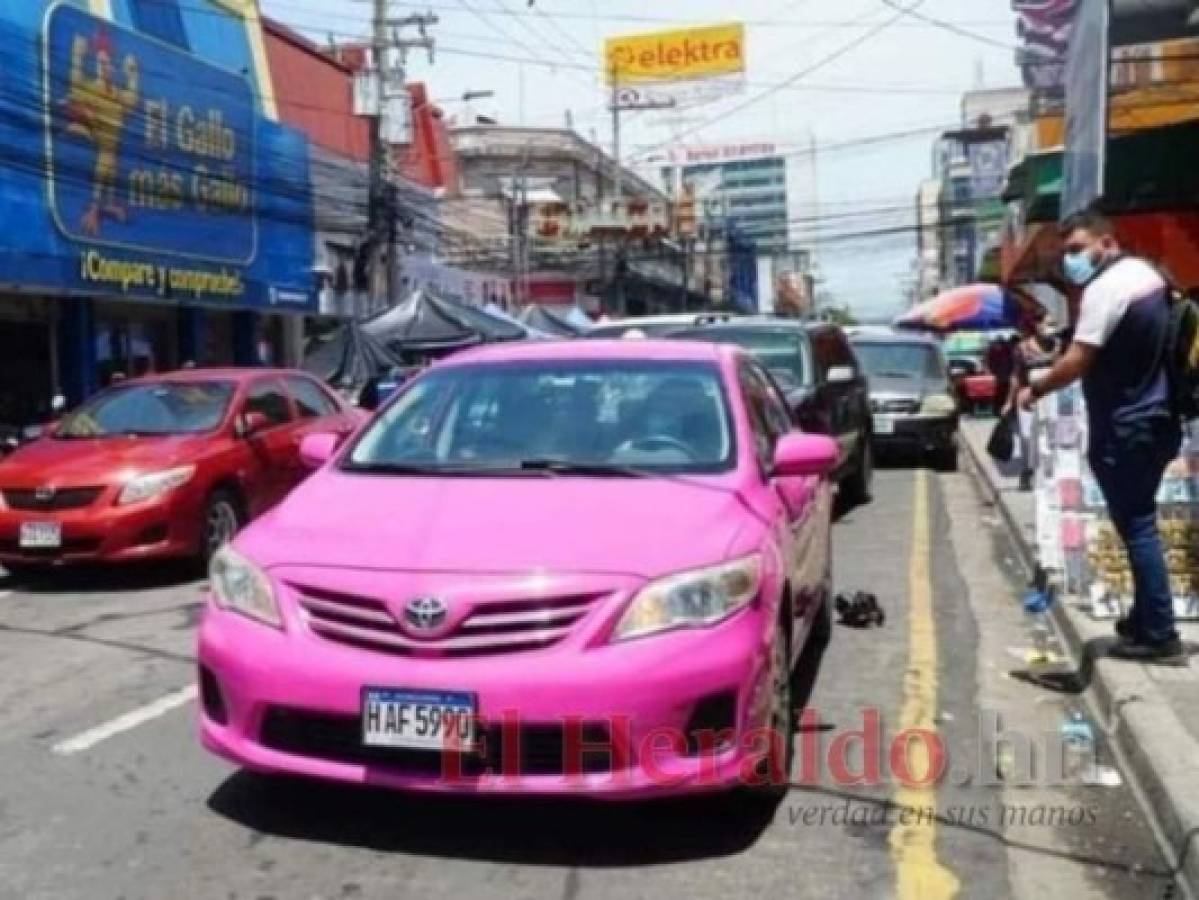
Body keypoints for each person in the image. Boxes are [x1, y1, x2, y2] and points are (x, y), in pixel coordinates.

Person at [1018, 209, 1184, 662]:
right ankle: (1144, 618)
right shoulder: (1149, 277)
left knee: (1138, 527)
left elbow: (1078, 361)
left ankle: (1160, 634)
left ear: (1107, 244)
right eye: (1067, 251)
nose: (1071, 260)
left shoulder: (1104, 288)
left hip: (1126, 425)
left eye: (1077, 249)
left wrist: (1036, 385)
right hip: (1158, 420)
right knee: (1139, 523)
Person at [1004, 320, 1059, 490]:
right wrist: (1009, 401)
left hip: (1052, 395)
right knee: (1027, 436)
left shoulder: (1059, 346)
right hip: (1027, 396)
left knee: (1052, 433)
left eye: (1053, 324)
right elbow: (1016, 376)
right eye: (1047, 323)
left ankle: (1051, 472)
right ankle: (1027, 471)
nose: (1050, 328)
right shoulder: (1022, 349)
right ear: (1036, 325)